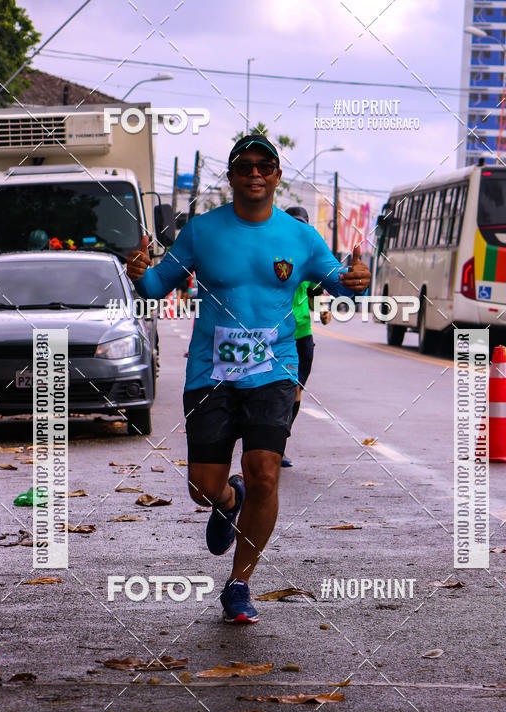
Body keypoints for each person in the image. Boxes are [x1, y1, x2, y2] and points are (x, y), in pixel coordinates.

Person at [126, 134, 371, 625]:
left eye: (265, 165)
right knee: (201, 488)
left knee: (266, 473)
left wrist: (356, 280)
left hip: (274, 369)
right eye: (245, 166)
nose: (255, 173)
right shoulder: (201, 231)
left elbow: (340, 286)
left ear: (277, 175)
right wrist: (138, 271)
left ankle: (239, 585)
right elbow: (155, 286)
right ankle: (226, 498)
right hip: (209, 372)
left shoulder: (300, 237)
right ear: (233, 175)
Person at [281, 206, 332, 468]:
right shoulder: (274, 255)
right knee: (285, 390)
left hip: (303, 335)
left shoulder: (310, 258)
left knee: (297, 390)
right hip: (277, 336)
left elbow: (316, 291)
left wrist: (324, 311)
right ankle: (273, 445)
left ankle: (279, 443)